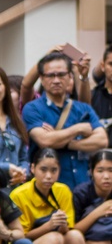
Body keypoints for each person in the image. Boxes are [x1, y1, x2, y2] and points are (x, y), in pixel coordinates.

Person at [22, 52, 107, 189]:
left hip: (83, 186)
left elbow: (102, 140)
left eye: (61, 75)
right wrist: (77, 129)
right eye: (50, 75)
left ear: (69, 77)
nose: (56, 80)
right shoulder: (32, 108)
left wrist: (66, 143)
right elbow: (45, 141)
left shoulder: (83, 108)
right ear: (42, 79)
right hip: (49, 189)